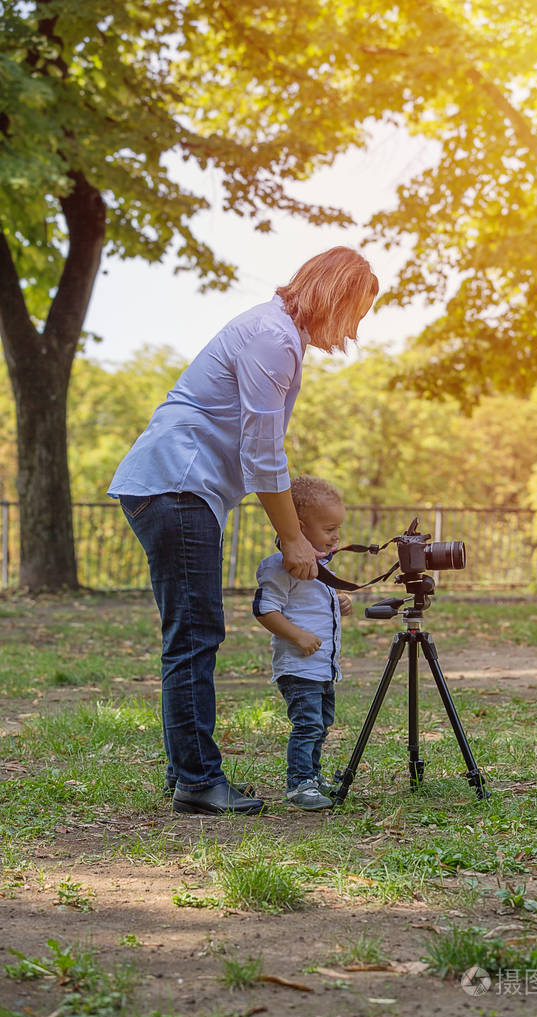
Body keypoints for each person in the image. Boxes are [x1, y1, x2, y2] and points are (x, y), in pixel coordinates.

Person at [108, 248, 378, 816]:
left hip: (178, 485)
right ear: (333, 295)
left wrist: (294, 534)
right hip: (176, 481)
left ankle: (187, 768)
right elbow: (262, 453)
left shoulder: (278, 335)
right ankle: (198, 781)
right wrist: (294, 539)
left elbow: (261, 454)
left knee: (192, 629)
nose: (353, 328)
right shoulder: (272, 338)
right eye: (355, 311)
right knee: (195, 632)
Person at [252, 476, 352, 810]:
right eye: (329, 528)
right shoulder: (281, 567)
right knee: (307, 724)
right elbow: (265, 610)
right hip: (299, 665)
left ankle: (313, 775)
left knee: (321, 724)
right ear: (299, 526)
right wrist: (297, 636)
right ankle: (298, 784)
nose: (336, 536)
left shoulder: (318, 568)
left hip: (322, 665)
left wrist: (339, 602)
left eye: (337, 528)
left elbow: (311, 606)